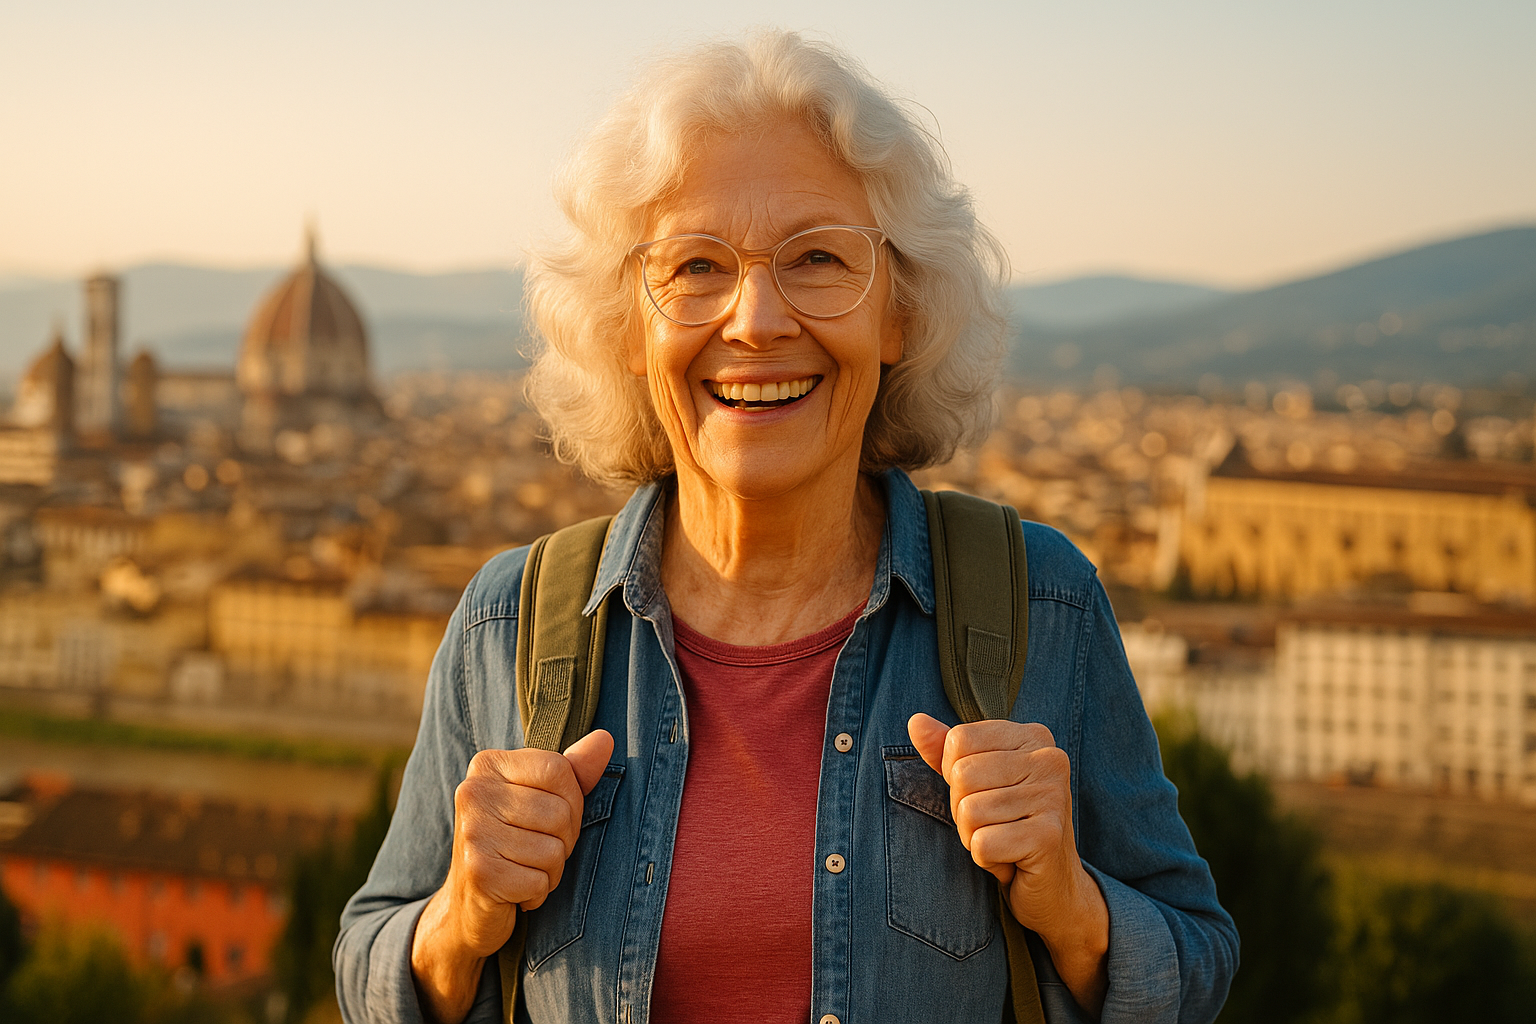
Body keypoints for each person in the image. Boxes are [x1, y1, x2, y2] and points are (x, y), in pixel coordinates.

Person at [336, 29, 1237, 1024]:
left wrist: (1073, 904)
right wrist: (459, 917)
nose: (756, 318)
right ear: (631, 327)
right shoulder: (508, 625)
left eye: (817, 257)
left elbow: (1198, 958)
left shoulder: (1043, 603)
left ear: (898, 314)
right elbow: (370, 958)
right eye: (694, 267)